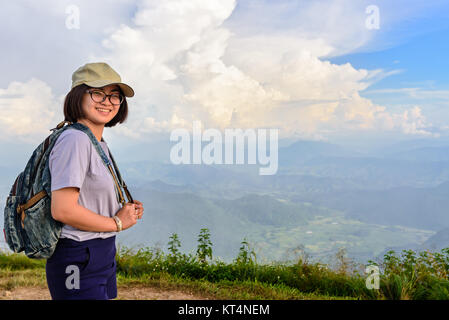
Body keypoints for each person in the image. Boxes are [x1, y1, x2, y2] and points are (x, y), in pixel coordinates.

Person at [45, 62, 144, 300]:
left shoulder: (97, 142)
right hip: (78, 255)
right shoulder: (75, 140)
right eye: (97, 93)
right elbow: (63, 210)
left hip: (101, 250)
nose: (107, 101)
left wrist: (119, 210)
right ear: (77, 96)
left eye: (114, 96)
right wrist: (117, 223)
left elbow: (87, 197)